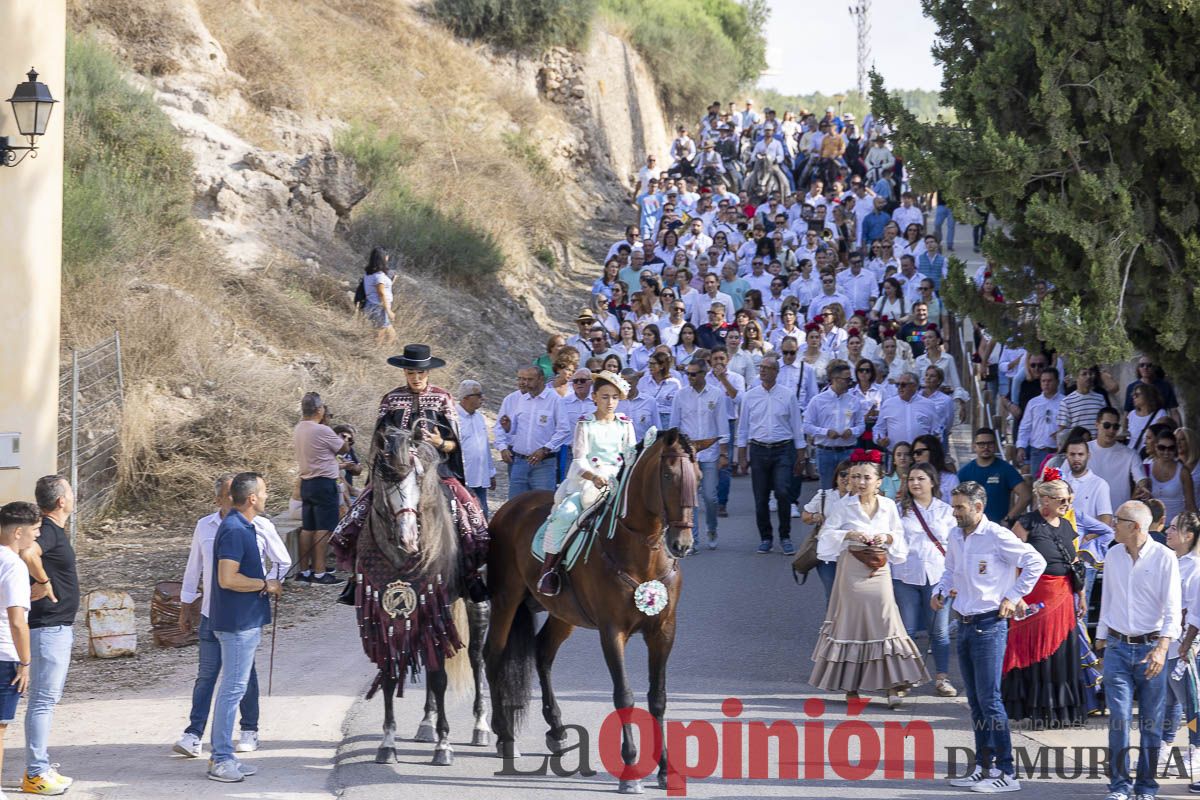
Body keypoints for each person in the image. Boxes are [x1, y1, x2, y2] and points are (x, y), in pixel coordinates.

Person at [934, 482, 1046, 794]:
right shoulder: (956, 535)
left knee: (990, 700)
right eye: (953, 506)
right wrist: (940, 591)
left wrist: (1013, 595)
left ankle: (1007, 772)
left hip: (990, 624)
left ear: (978, 507)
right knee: (976, 702)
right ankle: (985, 766)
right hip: (966, 623)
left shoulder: (997, 535)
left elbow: (1036, 562)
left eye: (960, 507)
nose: (955, 513)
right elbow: (950, 570)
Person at [175, 473, 290, 758]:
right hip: (210, 613)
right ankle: (195, 734)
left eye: (234, 493)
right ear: (219, 499)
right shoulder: (209, 526)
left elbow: (282, 561)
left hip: (242, 615)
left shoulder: (259, 526)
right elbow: (196, 569)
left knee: (242, 677)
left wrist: (266, 585)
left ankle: (248, 729)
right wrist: (186, 605)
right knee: (208, 676)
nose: (232, 500)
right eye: (227, 494)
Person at [810, 450, 929, 708]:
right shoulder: (843, 505)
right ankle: (851, 687)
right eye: (855, 477)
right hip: (852, 566)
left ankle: (893, 685)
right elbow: (826, 537)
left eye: (866, 477)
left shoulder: (888, 506)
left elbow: (897, 535)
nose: (860, 482)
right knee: (851, 624)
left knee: (887, 623)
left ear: (878, 481)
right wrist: (850, 533)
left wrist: (884, 538)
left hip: (880, 568)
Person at [1096, 500, 1181, 800]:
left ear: (1135, 527)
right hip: (1118, 647)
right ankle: (1119, 786)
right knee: (1118, 719)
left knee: (1150, 722)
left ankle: (1145, 787)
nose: (1112, 524)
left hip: (1151, 649)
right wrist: (1101, 639)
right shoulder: (1114, 554)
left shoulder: (1164, 558)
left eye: (1117, 520)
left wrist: (1162, 648)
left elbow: (1172, 608)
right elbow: (1108, 597)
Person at [206, 473, 282, 782]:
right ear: (251, 498)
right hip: (236, 624)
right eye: (263, 492)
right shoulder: (236, 530)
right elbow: (227, 578)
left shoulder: (243, 526)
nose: (266, 496)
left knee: (234, 687)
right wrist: (266, 583)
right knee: (232, 689)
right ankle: (221, 757)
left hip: (244, 621)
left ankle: (225, 756)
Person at [537, 372, 637, 596]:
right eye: (604, 397)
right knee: (566, 513)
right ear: (594, 397)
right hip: (589, 482)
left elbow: (630, 456)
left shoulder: (625, 424)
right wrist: (593, 477)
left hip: (619, 483)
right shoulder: (585, 424)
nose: (609, 402)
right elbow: (579, 458)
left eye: (614, 397)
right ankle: (549, 569)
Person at [1003, 474, 1086, 727]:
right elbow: (1011, 564)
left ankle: (1060, 710)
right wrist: (1016, 597)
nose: (1067, 504)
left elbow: (1073, 562)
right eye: (1062, 499)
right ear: (1045, 499)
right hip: (1034, 599)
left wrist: (1080, 595)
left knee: (1061, 654)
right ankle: (1035, 709)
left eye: (1070, 499)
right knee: (1036, 651)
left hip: (1063, 598)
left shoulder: (1067, 525)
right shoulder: (1026, 524)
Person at [20, 476, 80, 795]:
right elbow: (28, 552)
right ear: (60, 501)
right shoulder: (50, 530)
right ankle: (36, 773)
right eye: (70, 491)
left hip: (53, 626)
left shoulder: (52, 530)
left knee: (44, 700)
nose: (73, 495)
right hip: (49, 627)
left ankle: (39, 768)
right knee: (43, 701)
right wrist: (43, 582)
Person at [893, 463, 957, 697]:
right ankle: (903, 679)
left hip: (938, 577)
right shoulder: (898, 510)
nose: (915, 483)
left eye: (921, 478)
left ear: (932, 482)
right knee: (906, 630)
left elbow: (955, 545)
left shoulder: (946, 511)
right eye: (911, 479)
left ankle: (942, 678)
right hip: (904, 574)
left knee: (938, 631)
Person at [736, 355, 806, 555]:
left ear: (777, 371)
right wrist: (742, 454)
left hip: (783, 449)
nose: (763, 371)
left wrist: (801, 456)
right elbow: (743, 428)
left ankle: (785, 536)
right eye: (761, 368)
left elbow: (796, 426)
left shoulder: (788, 395)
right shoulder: (750, 396)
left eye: (768, 368)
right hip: (758, 450)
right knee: (761, 498)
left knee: (783, 492)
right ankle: (766, 537)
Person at [671, 359, 729, 552]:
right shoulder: (680, 395)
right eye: (688, 373)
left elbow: (722, 425)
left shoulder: (717, 394)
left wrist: (723, 453)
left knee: (711, 497)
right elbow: (674, 426)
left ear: (704, 374)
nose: (690, 377)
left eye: (694, 374)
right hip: (687, 456)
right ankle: (693, 539)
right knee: (690, 499)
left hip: (710, 453)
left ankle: (712, 528)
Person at [292, 393, 348, 585]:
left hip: (307, 483)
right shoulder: (322, 431)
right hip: (324, 484)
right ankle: (319, 572)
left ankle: (305, 570)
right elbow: (343, 449)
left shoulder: (299, 428)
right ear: (318, 410)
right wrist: (345, 438)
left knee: (308, 528)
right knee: (323, 529)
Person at [1161, 512, 1200, 785]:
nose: (1168, 531)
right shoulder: (1172, 561)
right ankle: (1162, 748)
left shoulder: (1195, 567)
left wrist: (1190, 645)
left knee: (1192, 703)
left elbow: (1195, 612)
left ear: (1189, 536)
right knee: (1169, 700)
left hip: (1187, 646)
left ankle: (1196, 751)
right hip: (1169, 643)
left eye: (1174, 528)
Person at [0, 503, 36, 791]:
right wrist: (25, 662)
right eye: (34, 531)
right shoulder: (13, 565)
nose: (36, 537)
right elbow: (17, 621)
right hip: (3, 655)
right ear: (19, 532)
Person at [496, 365, 565, 498]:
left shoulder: (555, 400)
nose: (525, 384)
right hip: (520, 462)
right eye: (522, 379)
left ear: (541, 379)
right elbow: (515, 430)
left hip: (544, 465)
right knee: (515, 507)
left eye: (530, 379)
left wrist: (545, 449)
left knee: (542, 506)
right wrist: (508, 427)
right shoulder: (522, 399)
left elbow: (563, 431)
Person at [803, 360, 866, 489]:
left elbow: (861, 425)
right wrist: (825, 432)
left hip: (847, 451)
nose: (850, 382)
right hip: (825, 451)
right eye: (847, 379)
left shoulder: (854, 401)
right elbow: (806, 426)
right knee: (827, 490)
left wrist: (852, 431)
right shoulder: (818, 400)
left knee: (849, 490)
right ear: (835, 379)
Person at [957, 428, 1029, 526]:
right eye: (981, 444)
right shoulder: (964, 472)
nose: (986, 447)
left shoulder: (1005, 469)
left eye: (990, 444)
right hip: (971, 527)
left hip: (997, 528)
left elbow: (1026, 495)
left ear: (995, 446)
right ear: (974, 446)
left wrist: (1008, 518)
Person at [1137, 428, 1197, 522]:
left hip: (1175, 527)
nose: (1166, 452)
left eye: (1171, 448)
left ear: (1175, 449)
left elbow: (1190, 504)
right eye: (1162, 447)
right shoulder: (1146, 468)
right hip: (1151, 526)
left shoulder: (1183, 472)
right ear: (1156, 446)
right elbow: (1134, 499)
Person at [1089, 407, 1142, 508]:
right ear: (1097, 424)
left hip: (1118, 517)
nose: (1111, 430)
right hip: (1087, 516)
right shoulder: (1081, 450)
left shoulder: (1130, 454)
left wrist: (1143, 486)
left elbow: (1140, 478)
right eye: (1107, 425)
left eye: (1115, 427)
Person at [456, 380, 495, 515]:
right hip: (463, 479)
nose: (482, 398)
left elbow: (485, 448)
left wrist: (491, 473)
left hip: (480, 478)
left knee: (483, 515)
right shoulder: (454, 418)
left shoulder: (479, 417)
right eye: (478, 395)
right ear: (466, 398)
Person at [874, 372, 939, 451]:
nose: (900, 387)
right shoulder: (888, 404)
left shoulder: (929, 404)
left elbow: (936, 429)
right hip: (896, 455)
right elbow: (878, 428)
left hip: (921, 454)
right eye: (898, 384)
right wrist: (880, 439)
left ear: (914, 386)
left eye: (903, 384)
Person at [1015, 367, 1062, 473]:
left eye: (1049, 381)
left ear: (1057, 382)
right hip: (1037, 452)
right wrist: (1021, 447)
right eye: (1043, 381)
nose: (1046, 384)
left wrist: (1061, 434)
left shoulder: (1065, 402)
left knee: (1057, 486)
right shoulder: (1033, 403)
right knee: (1037, 486)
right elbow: (1025, 426)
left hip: (1058, 452)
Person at [1057, 365, 1107, 440]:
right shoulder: (1067, 401)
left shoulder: (1100, 398)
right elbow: (1062, 429)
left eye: (1090, 374)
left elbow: (1104, 422)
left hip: (1096, 445)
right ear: (1076, 377)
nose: (1088, 377)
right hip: (1078, 446)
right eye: (1084, 374)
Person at [361, 247, 396, 345]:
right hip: (378, 307)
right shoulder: (379, 276)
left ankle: (385, 351)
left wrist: (391, 281)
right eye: (386, 256)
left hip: (373, 305)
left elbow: (382, 289)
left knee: (390, 333)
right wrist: (389, 311)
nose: (388, 258)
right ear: (383, 258)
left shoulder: (369, 273)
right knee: (380, 334)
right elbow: (381, 293)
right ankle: (376, 352)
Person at [911, 434, 958, 503]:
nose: (915, 456)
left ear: (933, 452)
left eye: (919, 452)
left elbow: (955, 508)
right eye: (913, 453)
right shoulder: (911, 480)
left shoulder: (950, 480)